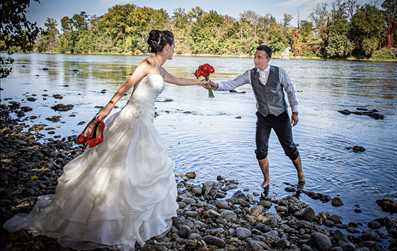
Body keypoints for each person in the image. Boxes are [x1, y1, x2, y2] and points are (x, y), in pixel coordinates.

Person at [3, 30, 208, 250]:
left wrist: (199, 83)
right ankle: (105, 216)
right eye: (173, 45)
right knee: (117, 163)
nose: (174, 49)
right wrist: (101, 115)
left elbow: (176, 80)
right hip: (132, 118)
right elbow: (123, 88)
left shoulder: (160, 68)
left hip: (146, 120)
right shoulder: (146, 64)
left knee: (141, 164)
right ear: (166, 47)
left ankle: (131, 218)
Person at [207, 44, 305, 192]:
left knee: (290, 148)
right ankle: (266, 179)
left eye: (259, 57)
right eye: (255, 56)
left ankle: (300, 174)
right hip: (263, 117)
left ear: (268, 59)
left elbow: (290, 91)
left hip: (281, 116)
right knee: (260, 150)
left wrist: (295, 111)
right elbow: (232, 83)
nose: (256, 60)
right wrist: (215, 85)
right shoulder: (250, 74)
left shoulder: (280, 72)